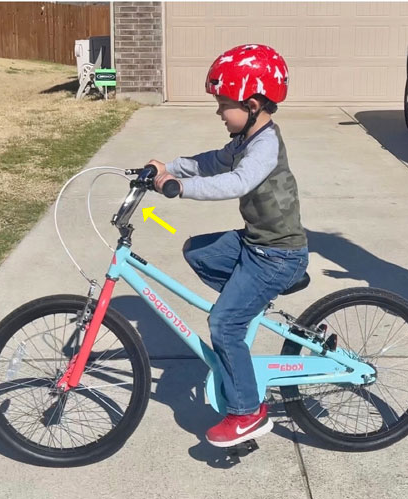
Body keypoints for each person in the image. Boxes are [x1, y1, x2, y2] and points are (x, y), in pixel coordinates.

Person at [147, 44, 308, 446]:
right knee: (197, 251)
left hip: (278, 255)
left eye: (224, 104)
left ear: (252, 104)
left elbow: (236, 182)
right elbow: (212, 162)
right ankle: (245, 304)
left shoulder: (265, 144)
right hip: (256, 245)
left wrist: (179, 188)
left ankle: (247, 413)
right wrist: (168, 167)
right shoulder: (243, 138)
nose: (219, 112)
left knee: (223, 324)